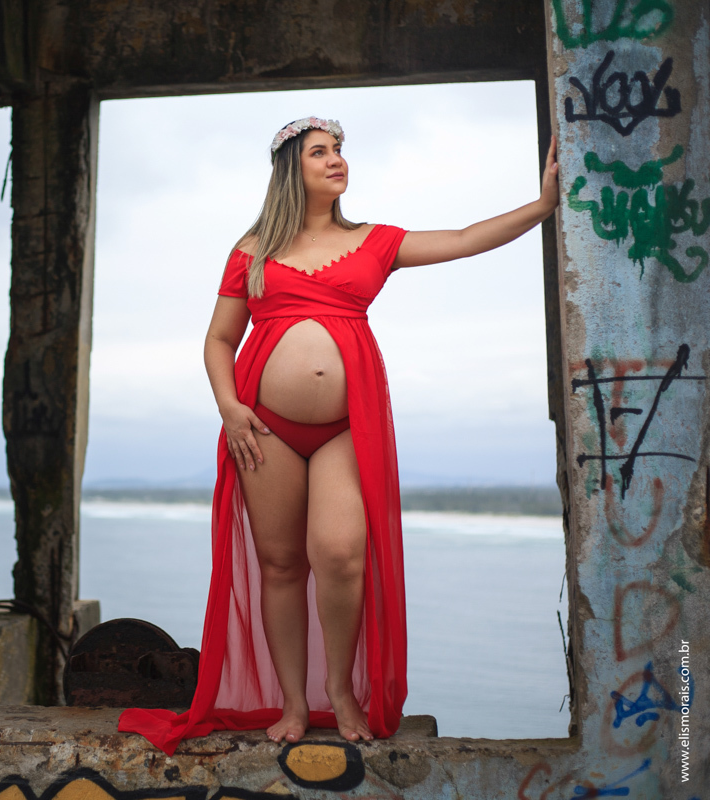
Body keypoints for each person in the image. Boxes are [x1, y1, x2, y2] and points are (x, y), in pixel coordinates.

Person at [118, 116, 560, 753]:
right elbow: (219, 339)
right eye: (320, 152)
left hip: (345, 429)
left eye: (339, 151)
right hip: (264, 429)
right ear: (290, 170)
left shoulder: (374, 241)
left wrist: (544, 204)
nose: (336, 160)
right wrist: (229, 408)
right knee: (279, 564)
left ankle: (343, 693)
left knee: (341, 555)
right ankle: (296, 703)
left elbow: (464, 239)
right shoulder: (253, 250)